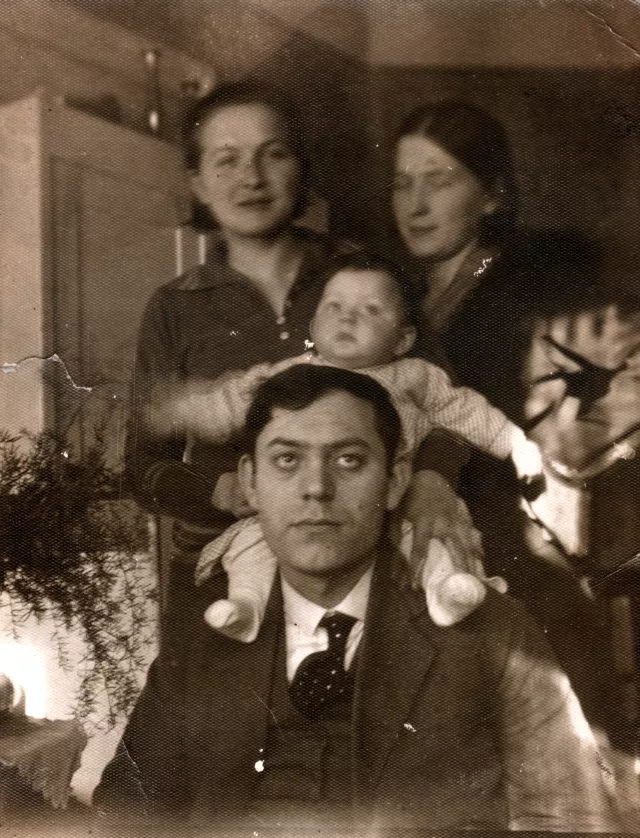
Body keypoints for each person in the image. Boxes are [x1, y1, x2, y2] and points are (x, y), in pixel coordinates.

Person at [93, 365, 621, 836]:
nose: (316, 488)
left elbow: (574, 819)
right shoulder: (201, 648)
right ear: (250, 484)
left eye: (349, 460)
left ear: (394, 482)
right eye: (287, 460)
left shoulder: (493, 635)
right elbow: (126, 820)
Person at [124, 81, 483, 636]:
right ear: (197, 183)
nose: (252, 178)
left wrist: (435, 478)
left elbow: (447, 404)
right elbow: (143, 466)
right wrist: (216, 492)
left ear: (301, 168)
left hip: (371, 564)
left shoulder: (367, 277)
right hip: (226, 573)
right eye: (227, 160)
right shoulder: (175, 306)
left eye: (273, 154)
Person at [390, 99, 631, 754]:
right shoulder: (395, 299)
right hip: (418, 543)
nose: (416, 204)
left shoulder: (534, 290)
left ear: (491, 195)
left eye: (439, 180)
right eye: (403, 183)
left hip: (516, 538)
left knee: (552, 742)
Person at [153, 251, 541, 640]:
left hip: (402, 502)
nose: (347, 318)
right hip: (317, 508)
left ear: (403, 339)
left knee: (434, 541)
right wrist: (184, 410)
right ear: (313, 324)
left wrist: (517, 446)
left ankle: (448, 594)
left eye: (370, 310)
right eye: (334, 306)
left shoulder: (416, 377)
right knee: (254, 539)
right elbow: (234, 403)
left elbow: (468, 412)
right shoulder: (293, 373)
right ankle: (245, 606)